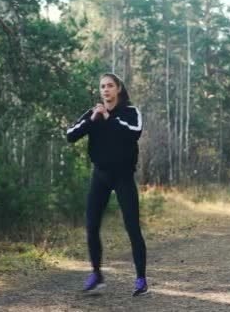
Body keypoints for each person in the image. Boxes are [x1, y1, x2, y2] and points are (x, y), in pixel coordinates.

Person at [66, 73, 148, 296]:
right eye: (102, 86)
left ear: (118, 88)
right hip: (100, 175)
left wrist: (109, 118)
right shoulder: (94, 113)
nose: (106, 90)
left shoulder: (131, 112)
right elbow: (70, 135)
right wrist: (92, 119)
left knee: (132, 227)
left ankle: (141, 279)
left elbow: (134, 133)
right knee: (91, 226)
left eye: (110, 86)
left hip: (123, 176)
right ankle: (96, 275)